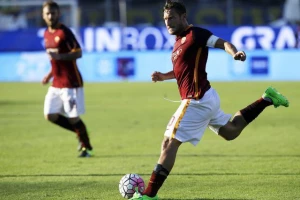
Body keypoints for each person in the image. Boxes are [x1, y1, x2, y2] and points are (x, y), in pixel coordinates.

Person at [130, 1, 289, 199]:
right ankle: (266, 99)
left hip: (196, 100)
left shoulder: (195, 34)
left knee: (168, 143)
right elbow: (182, 71)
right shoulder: (178, 41)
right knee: (230, 132)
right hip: (207, 96)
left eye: (171, 18)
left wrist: (235, 53)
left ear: (183, 16)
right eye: (165, 19)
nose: (167, 22)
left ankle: (149, 195)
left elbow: (223, 43)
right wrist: (164, 76)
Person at [41, 0, 93, 158]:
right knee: (49, 115)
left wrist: (59, 56)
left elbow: (78, 52)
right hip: (56, 83)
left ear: (58, 14)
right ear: (43, 16)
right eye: (48, 13)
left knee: (73, 117)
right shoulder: (46, 34)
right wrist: (49, 75)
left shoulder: (64, 32)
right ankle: (80, 132)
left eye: (53, 13)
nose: (51, 16)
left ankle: (86, 147)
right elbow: (54, 61)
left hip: (71, 83)